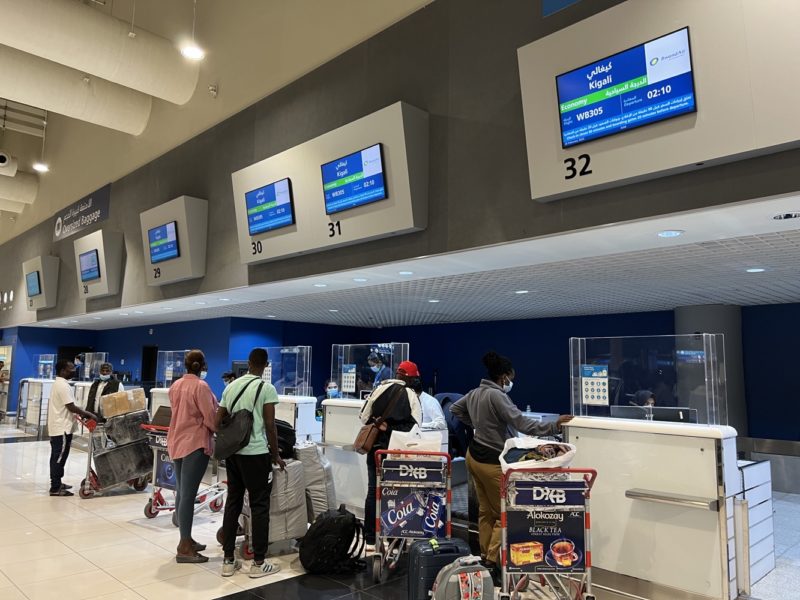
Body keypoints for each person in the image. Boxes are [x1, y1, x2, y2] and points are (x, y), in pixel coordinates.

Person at [450, 351, 573, 574]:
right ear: (504, 376)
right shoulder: (498, 396)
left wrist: (478, 426)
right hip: (491, 461)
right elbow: (523, 423)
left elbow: (455, 409)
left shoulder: (475, 392)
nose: (511, 382)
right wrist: (554, 426)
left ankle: (484, 555)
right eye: (511, 377)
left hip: (473, 456)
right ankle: (491, 563)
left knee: (486, 511)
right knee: (502, 513)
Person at [217, 347, 286, 578]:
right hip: (256, 455)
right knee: (259, 506)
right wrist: (276, 454)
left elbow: (219, 420)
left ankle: (228, 560)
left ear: (248, 363)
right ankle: (258, 563)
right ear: (266, 366)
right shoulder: (266, 388)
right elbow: (270, 425)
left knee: (233, 502)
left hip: (233, 453)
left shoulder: (231, 386)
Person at [359, 360, 422, 549]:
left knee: (373, 491)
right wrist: (395, 429)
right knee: (398, 493)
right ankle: (395, 539)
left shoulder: (379, 389)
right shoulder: (411, 394)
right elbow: (416, 426)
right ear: (410, 378)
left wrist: (383, 426)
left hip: (376, 449)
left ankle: (370, 537)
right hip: (398, 452)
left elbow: (363, 417)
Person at [167, 350, 218, 563]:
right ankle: (184, 546)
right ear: (201, 365)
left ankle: (186, 538)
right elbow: (211, 419)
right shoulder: (201, 387)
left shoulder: (175, 386)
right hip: (194, 444)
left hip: (176, 441)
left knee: (182, 492)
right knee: (188, 495)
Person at [47, 360, 98, 496]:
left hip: (61, 426)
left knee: (59, 456)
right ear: (63, 370)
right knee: (59, 457)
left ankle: (57, 482)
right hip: (61, 428)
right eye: (71, 368)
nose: (74, 370)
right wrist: (89, 414)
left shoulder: (60, 384)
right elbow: (71, 406)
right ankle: (55, 487)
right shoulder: (62, 386)